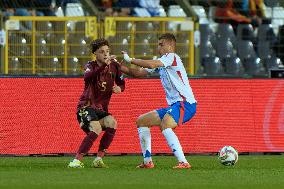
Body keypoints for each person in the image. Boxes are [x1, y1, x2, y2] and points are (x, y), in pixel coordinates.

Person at [120, 33, 197, 169]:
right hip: (175, 105)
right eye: (158, 44)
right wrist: (118, 67)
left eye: (161, 44)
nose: (158, 47)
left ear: (171, 45)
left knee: (165, 124)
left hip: (186, 104)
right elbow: (138, 73)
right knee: (142, 121)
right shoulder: (162, 61)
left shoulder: (172, 57)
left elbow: (150, 63)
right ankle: (147, 161)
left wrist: (130, 59)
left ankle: (183, 162)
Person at [68, 38, 125, 168]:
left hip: (101, 109)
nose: (105, 54)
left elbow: (122, 83)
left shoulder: (115, 66)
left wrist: (119, 88)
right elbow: (88, 77)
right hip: (86, 106)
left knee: (112, 123)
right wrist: (104, 65)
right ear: (95, 54)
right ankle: (76, 161)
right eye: (101, 52)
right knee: (96, 128)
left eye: (107, 51)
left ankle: (98, 160)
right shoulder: (90, 66)